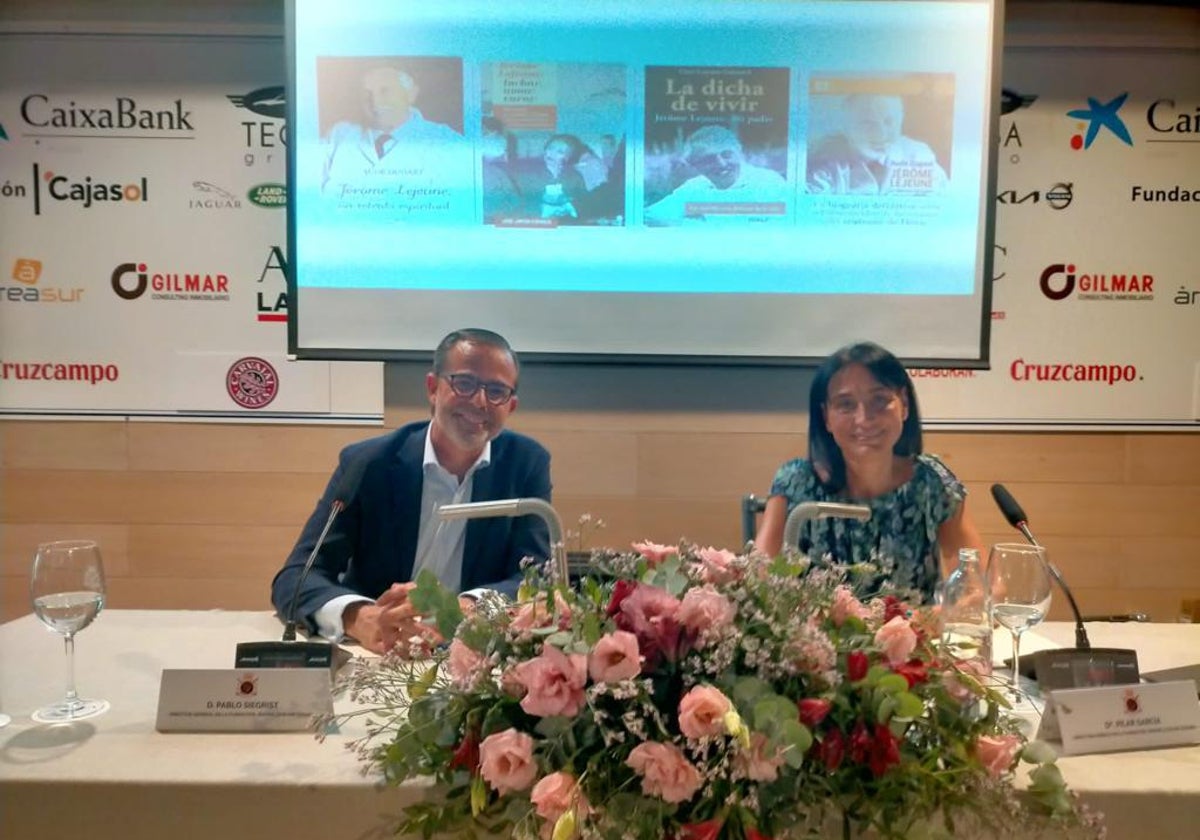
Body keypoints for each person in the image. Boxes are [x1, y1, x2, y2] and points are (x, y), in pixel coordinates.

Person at [271, 329, 552, 654]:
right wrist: (359, 617)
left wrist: (467, 607)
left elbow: (535, 579)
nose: (480, 401)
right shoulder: (368, 462)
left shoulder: (526, 463)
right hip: (377, 655)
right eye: (465, 384)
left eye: (497, 391)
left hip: (472, 656)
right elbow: (296, 577)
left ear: (511, 405)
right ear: (433, 388)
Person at [754, 341, 983, 603]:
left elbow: (978, 583)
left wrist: (944, 615)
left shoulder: (932, 481)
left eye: (880, 400)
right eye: (846, 404)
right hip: (820, 642)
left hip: (916, 639)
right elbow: (758, 577)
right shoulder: (795, 481)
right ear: (826, 416)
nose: (864, 419)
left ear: (904, 404)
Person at [322, 65, 462, 193]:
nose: (375, 101)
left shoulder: (446, 140)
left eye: (385, 91)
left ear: (411, 94)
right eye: (367, 95)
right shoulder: (339, 134)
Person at [806, 93, 948, 195]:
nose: (881, 134)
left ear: (901, 120)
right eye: (868, 124)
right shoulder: (822, 163)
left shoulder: (919, 157)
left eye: (889, 122)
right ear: (846, 128)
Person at [644, 125, 787, 224]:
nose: (721, 164)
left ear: (739, 151)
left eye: (727, 154)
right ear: (695, 165)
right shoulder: (693, 187)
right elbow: (651, 216)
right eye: (708, 159)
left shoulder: (770, 183)